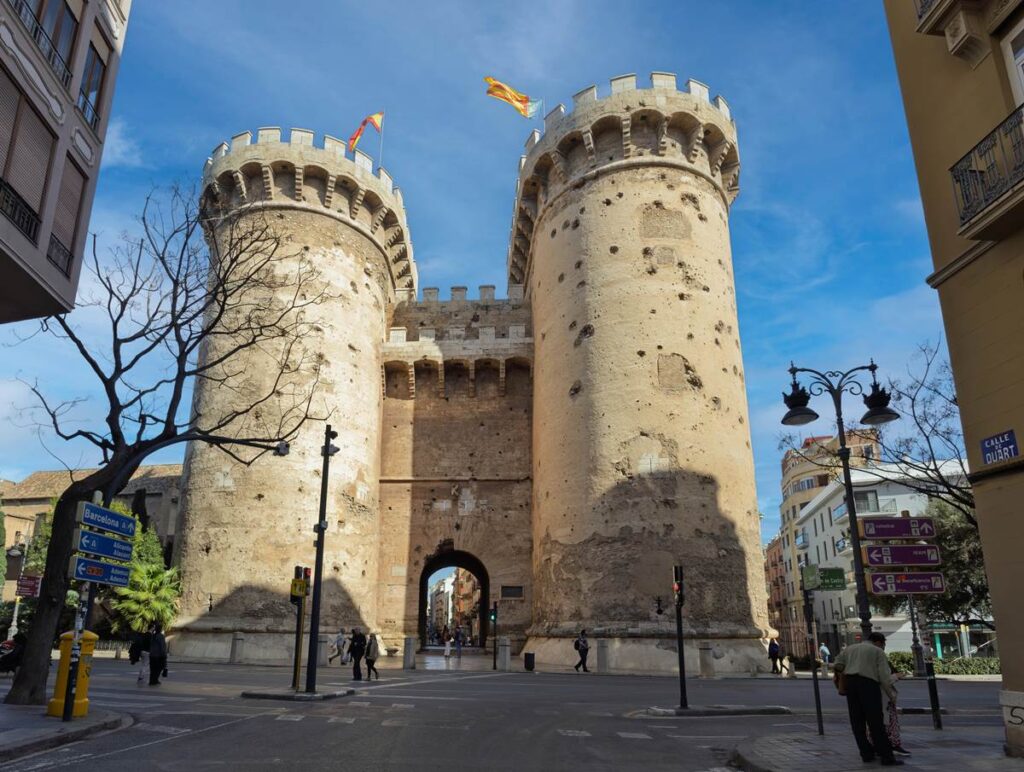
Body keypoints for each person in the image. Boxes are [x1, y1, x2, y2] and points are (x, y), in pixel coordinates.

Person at [834, 632, 902, 766]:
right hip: (869, 684)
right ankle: (886, 757)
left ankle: (866, 754)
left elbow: (837, 665)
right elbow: (884, 677)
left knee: (857, 721)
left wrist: (848, 669)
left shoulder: (850, 649)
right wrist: (891, 695)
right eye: (883, 645)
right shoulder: (877, 651)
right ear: (879, 642)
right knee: (875, 722)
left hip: (851, 685)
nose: (883, 647)